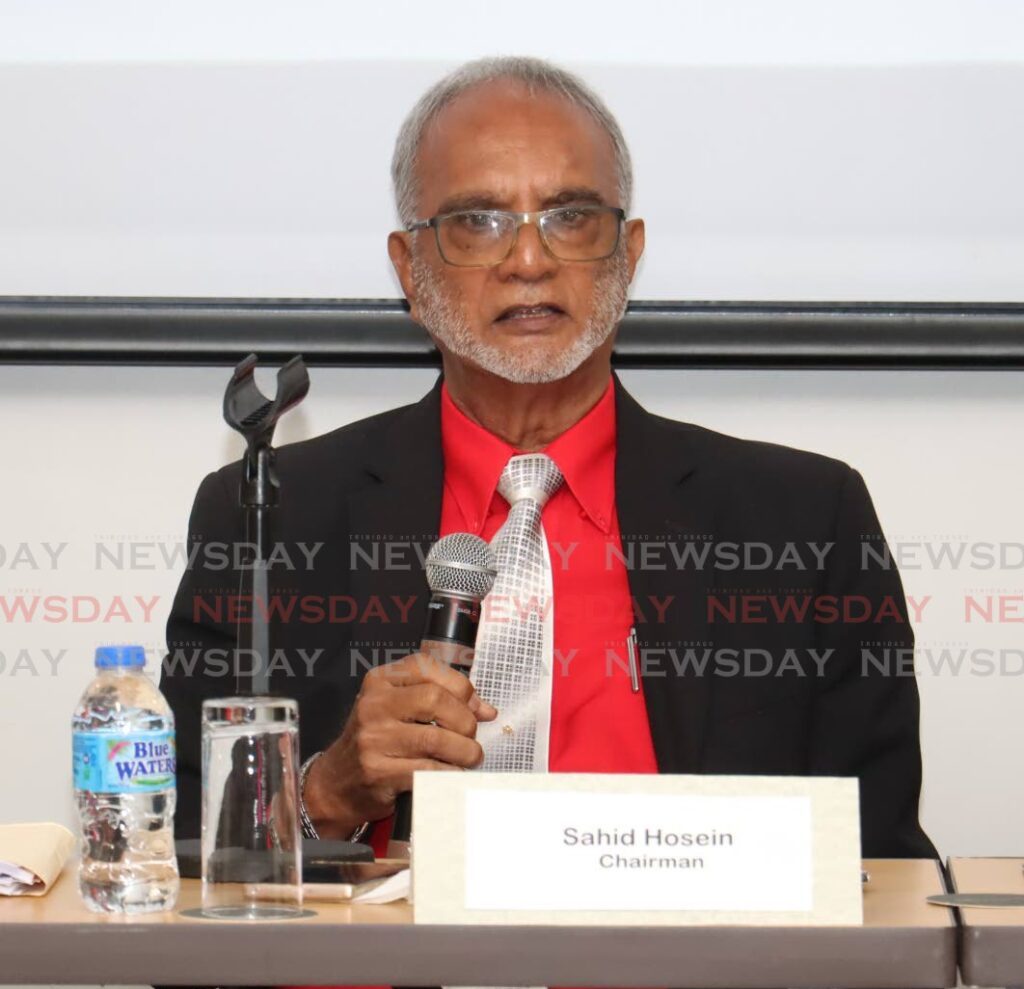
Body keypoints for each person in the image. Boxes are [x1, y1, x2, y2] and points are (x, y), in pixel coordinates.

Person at [163, 56, 935, 859]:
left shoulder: (804, 521)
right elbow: (175, 855)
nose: (528, 261)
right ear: (410, 273)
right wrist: (325, 792)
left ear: (628, 254)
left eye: (569, 217)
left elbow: (876, 862)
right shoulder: (270, 518)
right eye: (477, 222)